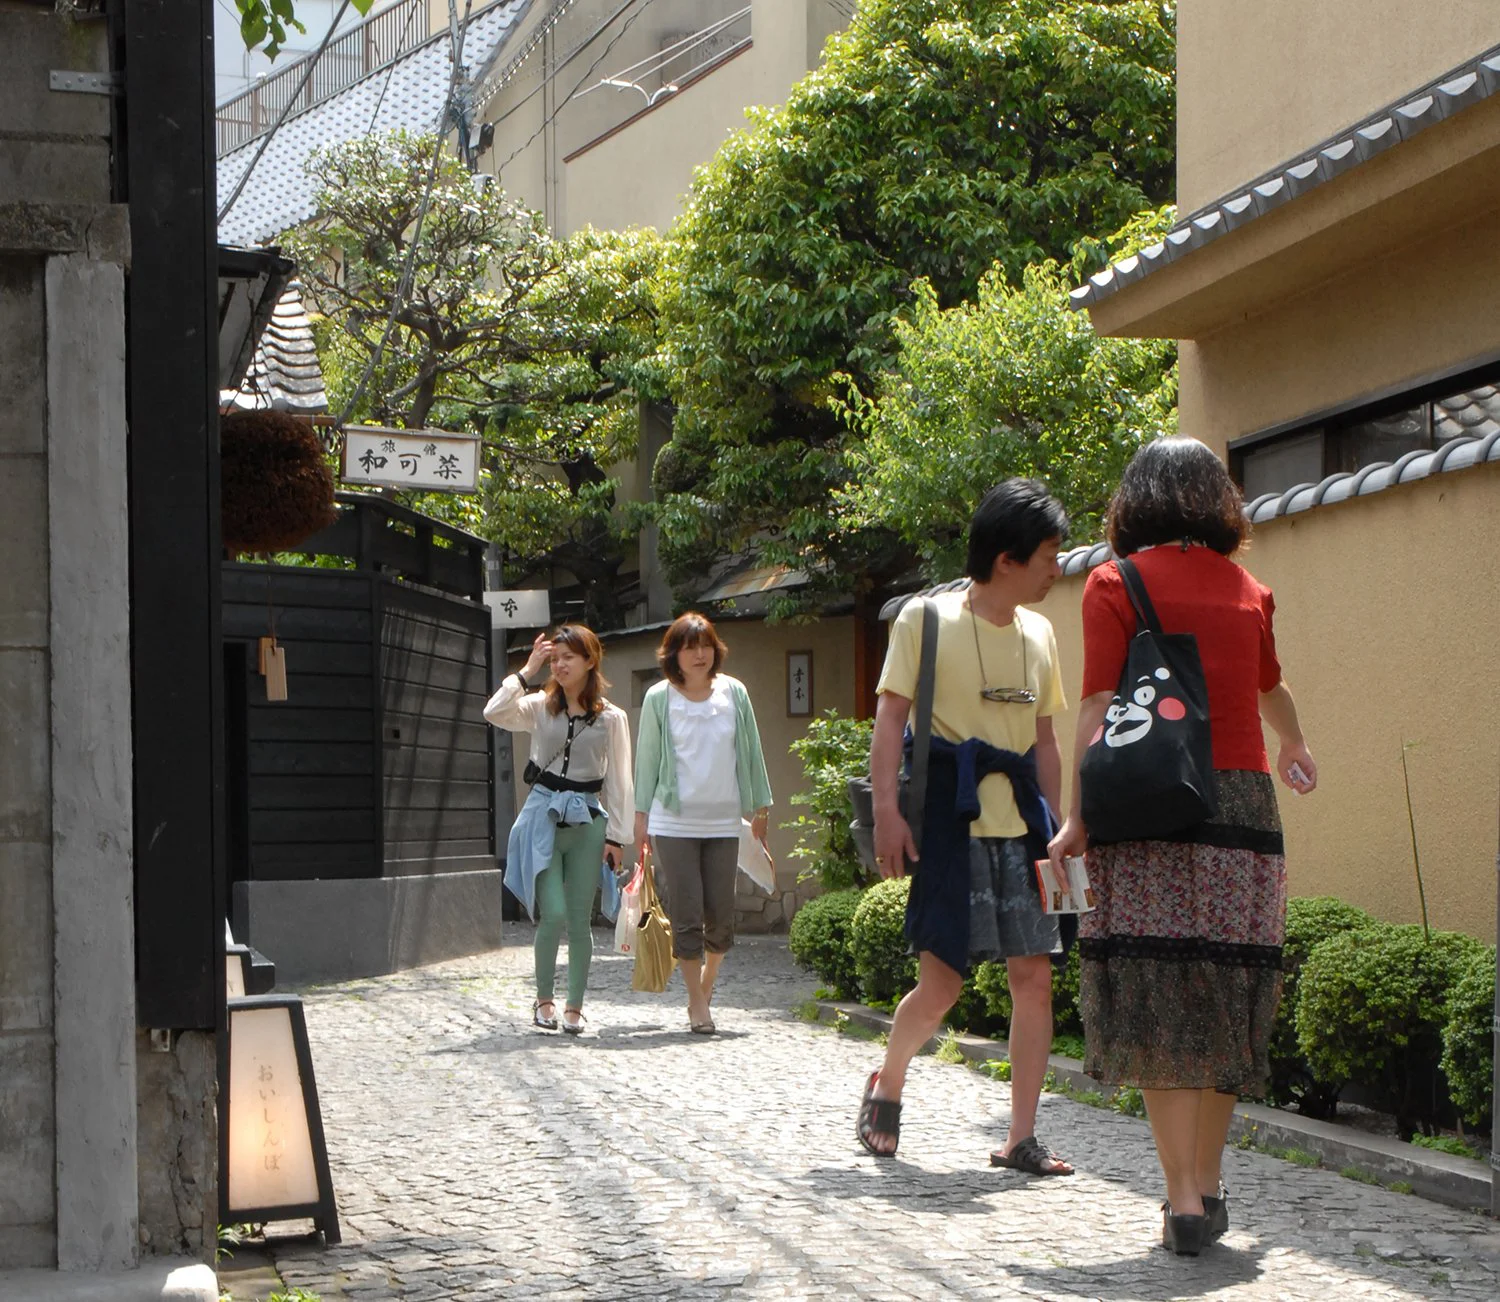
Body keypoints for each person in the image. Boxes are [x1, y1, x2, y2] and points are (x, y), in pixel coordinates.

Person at [1048, 437, 1317, 1256]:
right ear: (1217, 500)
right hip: (1242, 811)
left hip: (1149, 803)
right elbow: (1271, 688)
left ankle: (1181, 1202)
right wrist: (1297, 747)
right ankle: (1207, 1183)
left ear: (1137, 499)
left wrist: (1074, 819)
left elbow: (1097, 709)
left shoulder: (1113, 583)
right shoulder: (1249, 588)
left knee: (1162, 993)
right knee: (1225, 996)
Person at [859, 479, 1074, 1176]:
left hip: (1025, 825)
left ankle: (1020, 1136)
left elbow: (1044, 740)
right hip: (952, 822)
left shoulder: (1041, 632)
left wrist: (1061, 833)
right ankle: (888, 1081)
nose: (1057, 567)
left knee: (1033, 978)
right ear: (1006, 557)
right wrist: (888, 812)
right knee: (944, 983)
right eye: (1047, 554)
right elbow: (891, 720)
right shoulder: (924, 620)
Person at [484, 625, 633, 1036]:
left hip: (588, 821)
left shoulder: (611, 718)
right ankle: (543, 999)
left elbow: (620, 780)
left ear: (590, 661)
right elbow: (493, 712)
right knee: (552, 913)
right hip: (542, 816)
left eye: (569, 657)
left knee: (580, 920)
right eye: (555, 658)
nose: (561, 664)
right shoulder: (537, 706)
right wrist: (525, 670)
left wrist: (617, 837)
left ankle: (574, 1006)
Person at [634, 613, 773, 1035]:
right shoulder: (659, 697)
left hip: (724, 820)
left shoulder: (735, 693)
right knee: (688, 911)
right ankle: (697, 1002)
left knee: (722, 914)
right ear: (673, 653)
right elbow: (648, 761)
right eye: (689, 646)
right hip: (673, 821)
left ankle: (706, 983)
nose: (699, 654)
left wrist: (760, 809)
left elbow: (751, 752)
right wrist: (641, 819)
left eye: (706, 645)